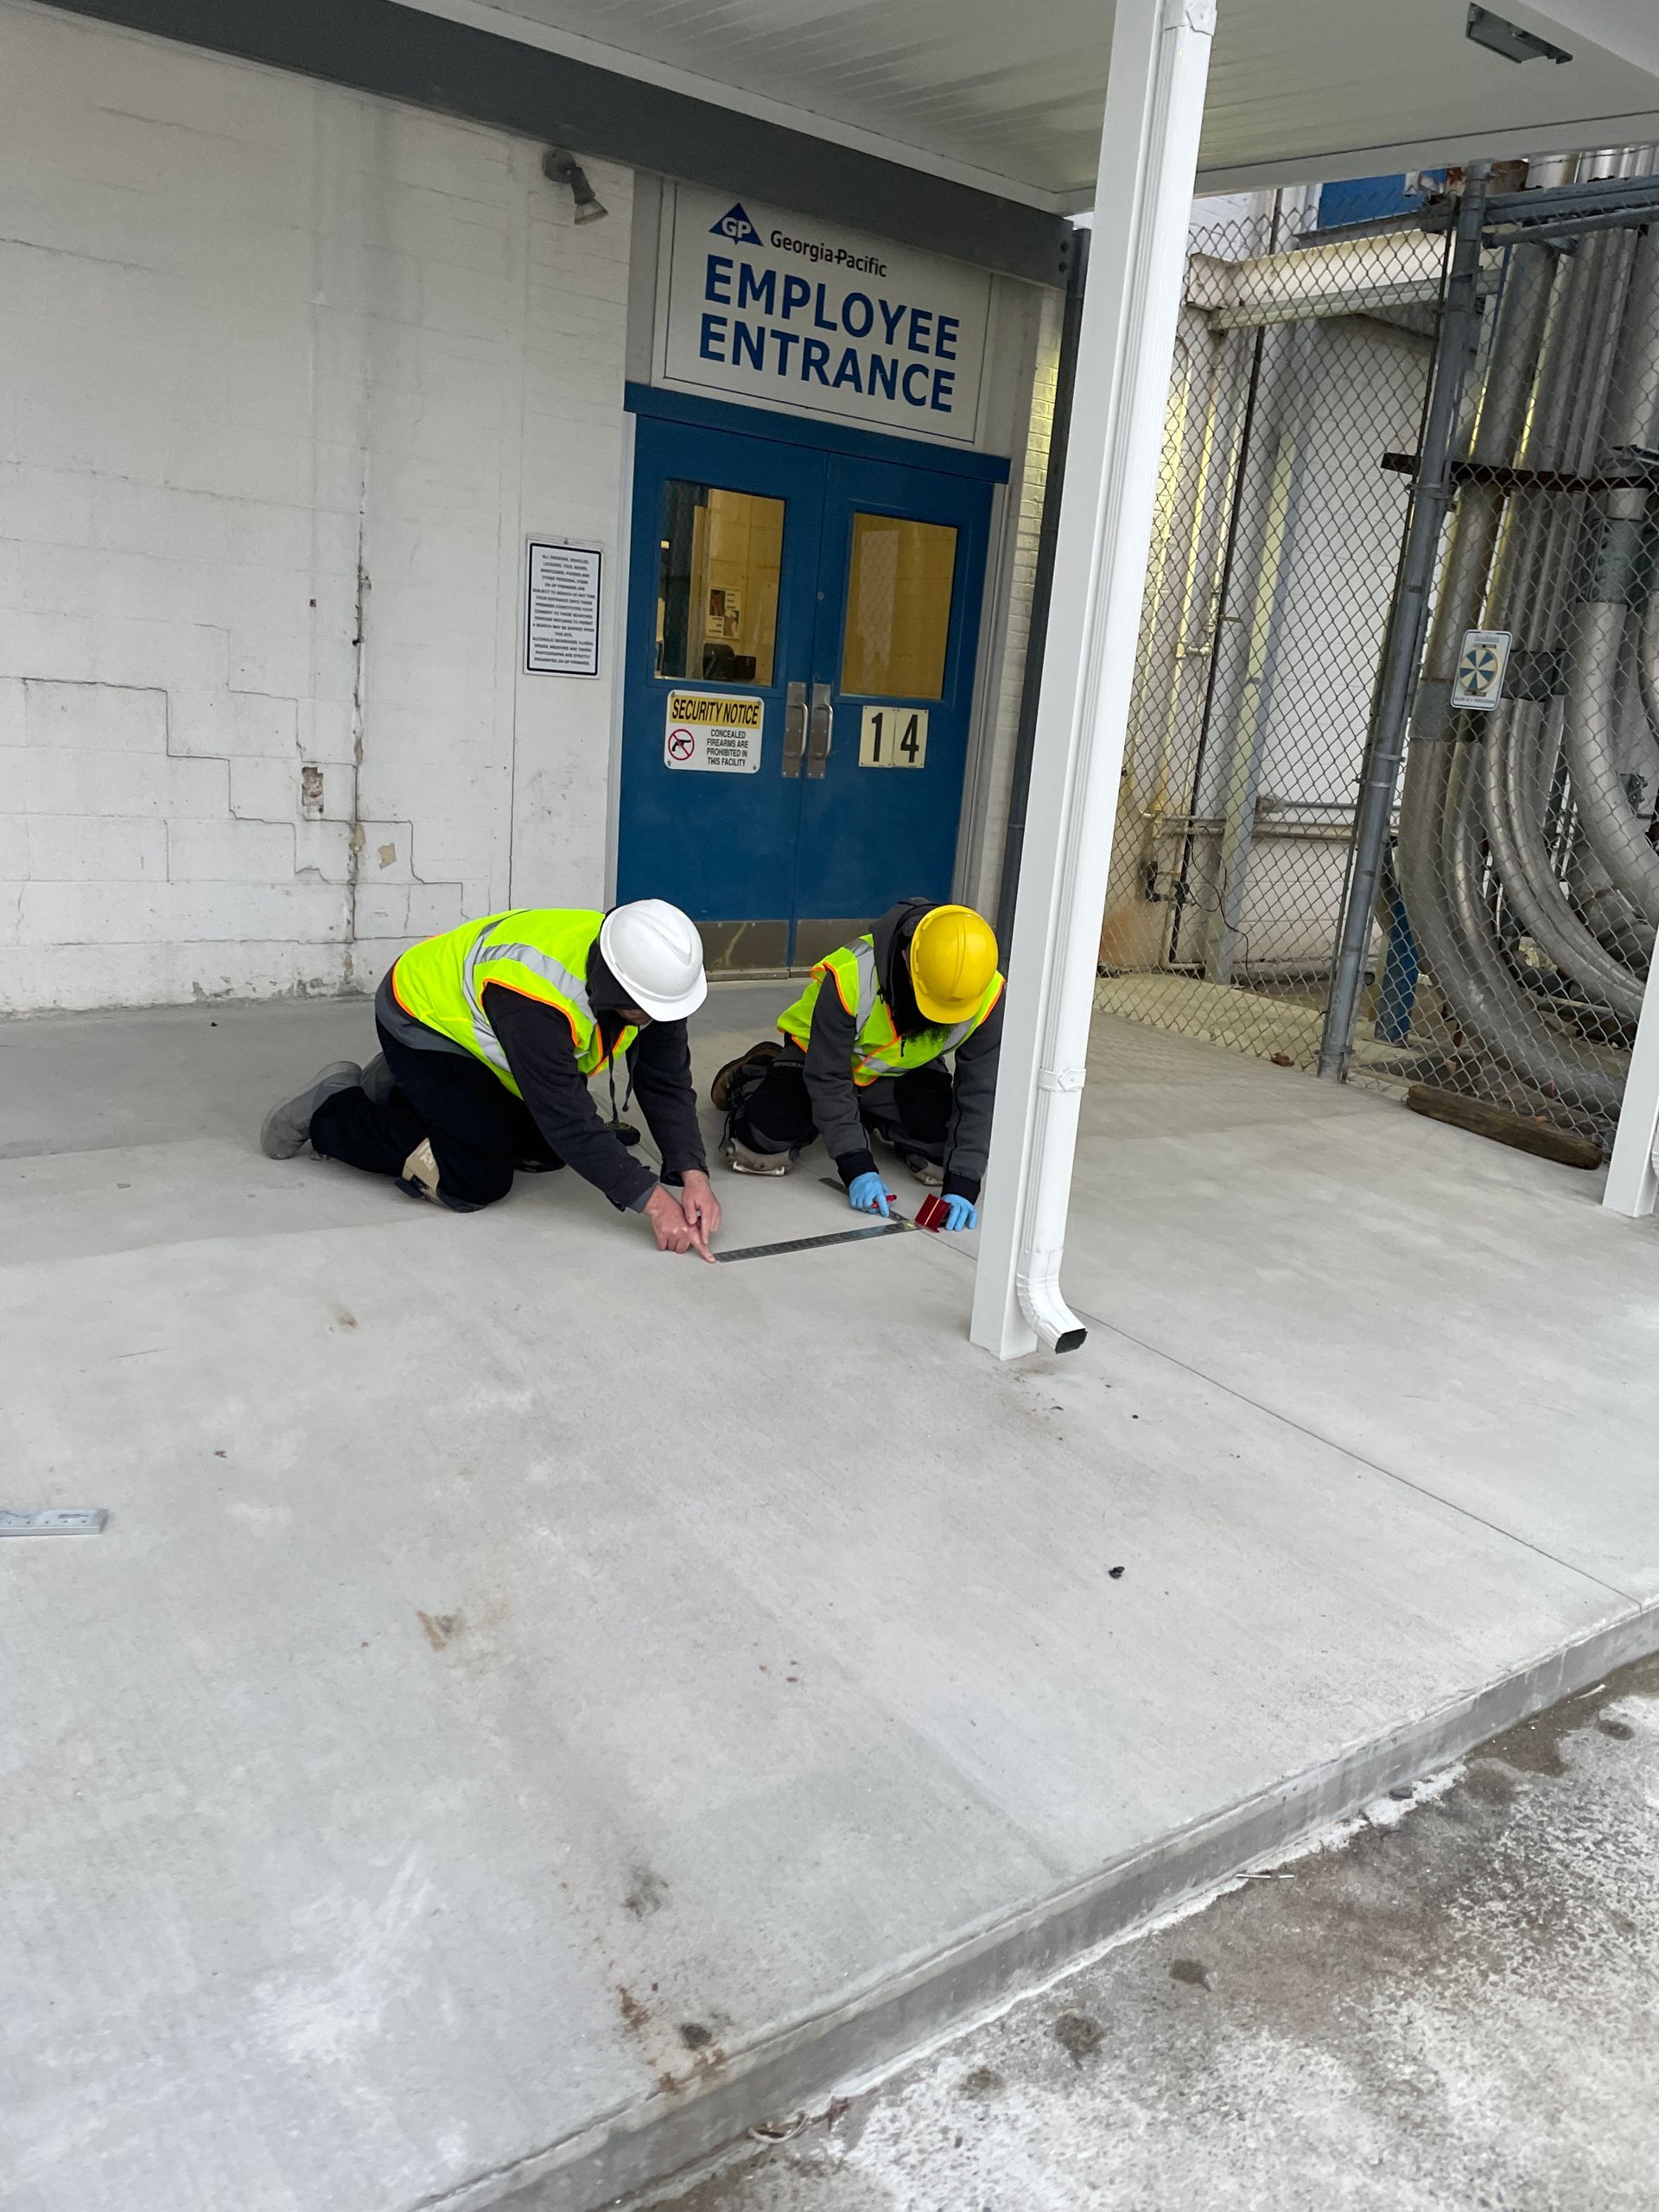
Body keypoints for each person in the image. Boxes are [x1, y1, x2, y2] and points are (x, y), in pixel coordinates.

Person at [260, 900, 723, 1260]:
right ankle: (331, 1108)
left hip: (490, 1030)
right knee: (473, 1178)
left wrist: (692, 1173)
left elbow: (664, 1080)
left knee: (542, 1152)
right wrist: (657, 1205)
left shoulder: (653, 978)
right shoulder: (536, 1000)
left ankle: (405, 1087)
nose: (651, 1021)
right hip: (423, 1019)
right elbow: (567, 1120)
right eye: (641, 1012)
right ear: (613, 984)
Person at [712, 901, 1002, 1230]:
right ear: (907, 958)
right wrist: (857, 1166)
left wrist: (964, 1182)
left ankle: (862, 1115)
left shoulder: (982, 988)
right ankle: (756, 1070)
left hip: (902, 1070)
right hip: (817, 1059)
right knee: (760, 1148)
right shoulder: (852, 974)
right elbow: (828, 1078)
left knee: (940, 1157)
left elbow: (979, 1091)